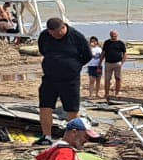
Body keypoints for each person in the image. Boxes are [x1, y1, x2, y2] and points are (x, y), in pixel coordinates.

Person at [35, 17, 90, 145]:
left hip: (70, 79)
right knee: (45, 106)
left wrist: (74, 66)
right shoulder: (45, 36)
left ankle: (73, 138)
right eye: (51, 33)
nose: (53, 35)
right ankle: (46, 136)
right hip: (50, 77)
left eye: (56, 33)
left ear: (63, 27)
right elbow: (42, 50)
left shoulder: (76, 37)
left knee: (72, 109)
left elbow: (87, 55)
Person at [100, 30, 127, 101]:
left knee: (118, 78)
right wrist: (100, 62)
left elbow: (125, 53)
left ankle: (117, 93)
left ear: (117, 35)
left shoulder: (120, 43)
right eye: (112, 35)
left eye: (114, 35)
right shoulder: (107, 42)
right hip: (108, 63)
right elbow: (103, 53)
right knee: (107, 79)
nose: (113, 36)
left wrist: (122, 62)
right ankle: (106, 93)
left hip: (117, 63)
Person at [85, 36, 103, 100]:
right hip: (91, 66)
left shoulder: (99, 49)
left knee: (98, 80)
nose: (93, 42)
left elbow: (101, 57)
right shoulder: (89, 49)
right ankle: (90, 94)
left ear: (97, 42)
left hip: (98, 66)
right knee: (91, 80)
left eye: (94, 41)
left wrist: (100, 64)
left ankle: (97, 94)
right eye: (92, 41)